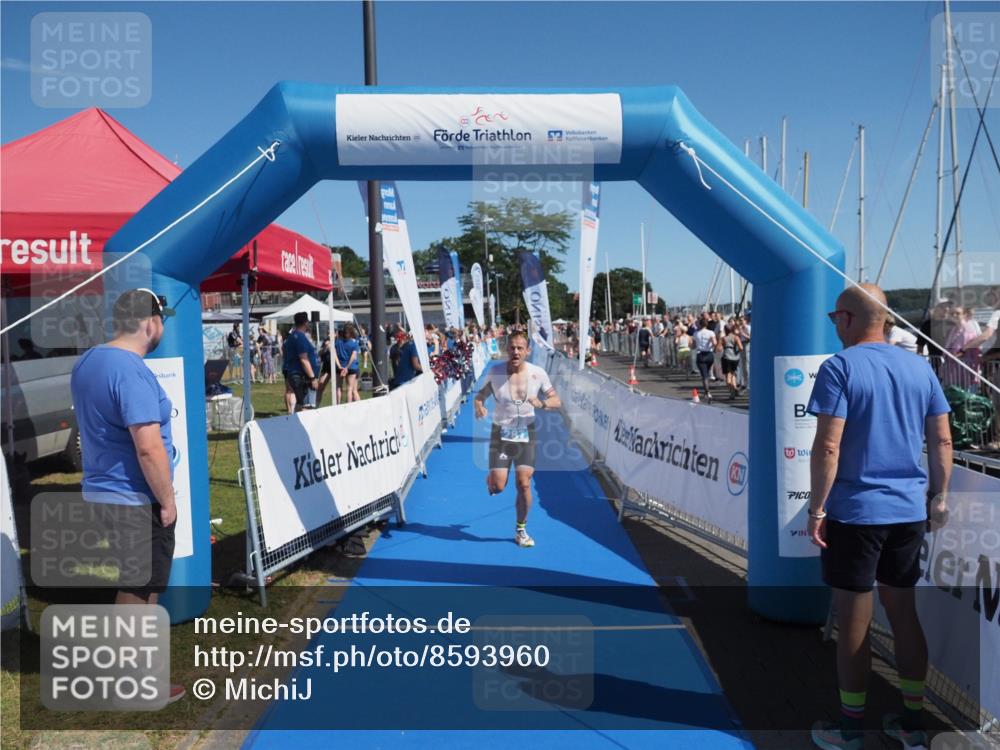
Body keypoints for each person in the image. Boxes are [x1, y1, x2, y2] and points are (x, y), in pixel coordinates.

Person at [807, 284, 952, 750]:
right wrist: (941, 496)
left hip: (856, 513)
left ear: (849, 319)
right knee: (903, 613)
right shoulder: (919, 367)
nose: (833, 325)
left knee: (853, 619)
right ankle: (912, 723)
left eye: (834, 318)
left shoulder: (840, 367)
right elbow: (943, 442)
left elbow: (828, 446)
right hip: (909, 510)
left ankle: (851, 729)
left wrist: (816, 508)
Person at [69, 289, 185, 703]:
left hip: (103, 491)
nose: (162, 328)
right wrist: (167, 500)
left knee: (138, 583)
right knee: (138, 589)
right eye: (162, 320)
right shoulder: (130, 370)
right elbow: (148, 446)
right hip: (133, 496)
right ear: (149, 322)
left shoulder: (88, 362)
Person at [473, 331, 561, 548]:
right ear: (506, 349)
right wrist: (479, 406)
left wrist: (543, 404)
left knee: (524, 483)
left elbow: (556, 400)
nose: (516, 352)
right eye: (512, 347)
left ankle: (521, 529)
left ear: (527, 351)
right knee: (499, 488)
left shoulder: (537, 374)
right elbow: (480, 396)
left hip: (526, 432)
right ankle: (493, 479)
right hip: (501, 433)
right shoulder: (495, 372)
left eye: (520, 348)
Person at [282, 312, 320, 414]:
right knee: (307, 407)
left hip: (295, 373)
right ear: (305, 322)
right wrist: (312, 378)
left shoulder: (292, 336)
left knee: (301, 404)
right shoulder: (300, 337)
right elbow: (304, 359)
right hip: (302, 375)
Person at [693, 318, 717, 401]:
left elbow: (693, 345)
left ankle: (707, 392)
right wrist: (710, 345)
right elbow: (714, 343)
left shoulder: (696, 333)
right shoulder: (711, 333)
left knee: (704, 375)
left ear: (700, 324)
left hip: (701, 354)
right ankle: (707, 391)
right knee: (707, 372)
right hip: (709, 354)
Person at [336, 324, 361, 403]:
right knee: (350, 389)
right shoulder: (354, 343)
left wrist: (340, 366)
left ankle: (337, 405)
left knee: (339, 387)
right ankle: (349, 406)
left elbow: (334, 353)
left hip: (340, 366)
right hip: (351, 367)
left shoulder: (338, 342)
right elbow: (353, 356)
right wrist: (347, 367)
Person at [720, 324, 743, 400]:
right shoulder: (736, 337)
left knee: (728, 377)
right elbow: (741, 348)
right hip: (735, 358)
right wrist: (736, 352)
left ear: (725, 330)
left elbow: (719, 348)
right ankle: (735, 388)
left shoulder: (724, 338)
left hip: (726, 357)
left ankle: (732, 391)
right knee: (733, 374)